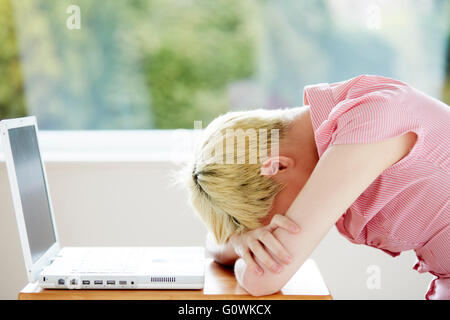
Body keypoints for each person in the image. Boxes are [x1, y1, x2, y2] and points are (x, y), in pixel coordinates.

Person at [184, 74, 450, 300]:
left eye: (271, 223)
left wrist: (242, 255)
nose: (272, 237)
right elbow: (215, 246)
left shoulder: (369, 123)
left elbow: (263, 280)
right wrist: (240, 241)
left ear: (277, 167)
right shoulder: (342, 121)